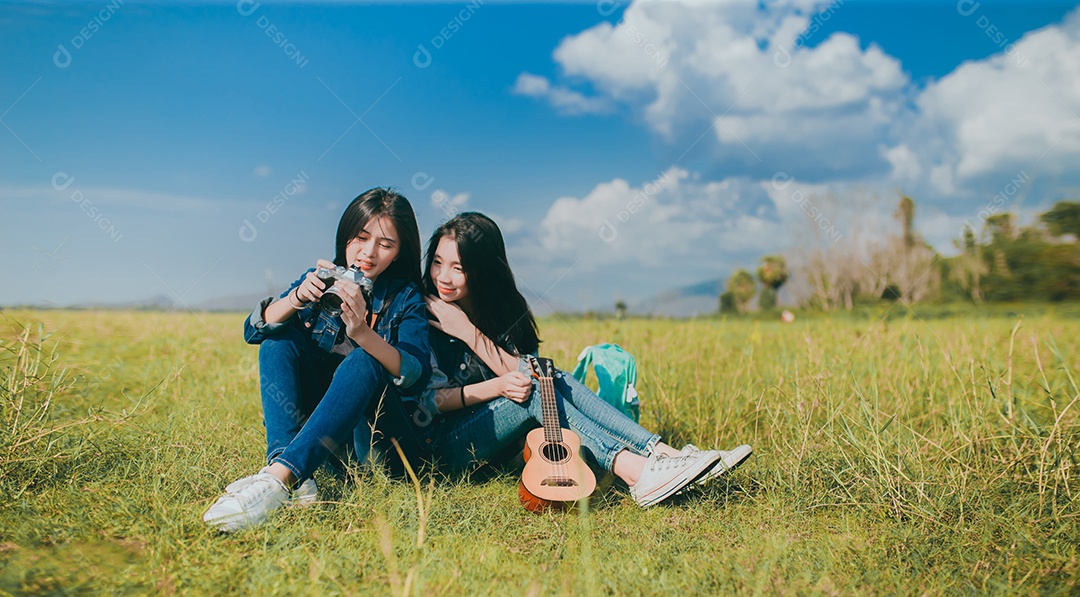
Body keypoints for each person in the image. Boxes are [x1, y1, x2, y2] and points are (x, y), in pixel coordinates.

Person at [409, 212, 752, 508]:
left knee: (546, 376)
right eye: (438, 262)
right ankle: (635, 469)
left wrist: (470, 332)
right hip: (443, 450)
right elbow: (429, 401)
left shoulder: (502, 311)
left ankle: (666, 455)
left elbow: (525, 371)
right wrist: (494, 382)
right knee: (533, 388)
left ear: (484, 270)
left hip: (496, 446)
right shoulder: (426, 315)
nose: (443, 277)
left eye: (458, 267)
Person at [203, 188, 431, 532]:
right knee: (277, 338)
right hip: (326, 441)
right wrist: (298, 296)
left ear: (399, 252)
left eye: (385, 244)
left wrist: (363, 334)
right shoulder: (325, 275)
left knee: (364, 362)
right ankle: (289, 473)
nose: (368, 253)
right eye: (361, 237)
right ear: (345, 236)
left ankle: (279, 478)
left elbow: (416, 374)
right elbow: (254, 330)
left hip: (377, 443)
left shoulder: (406, 297)